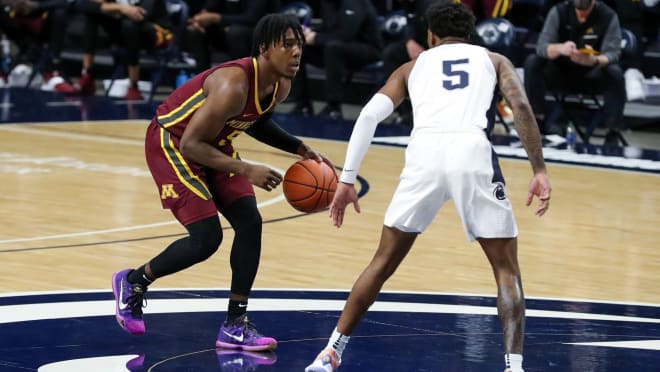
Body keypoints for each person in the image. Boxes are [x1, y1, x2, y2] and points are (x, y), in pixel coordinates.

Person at [305, 2, 551, 372]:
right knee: (506, 269)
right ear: (470, 35)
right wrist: (539, 169)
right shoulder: (493, 59)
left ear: (431, 36)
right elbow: (520, 105)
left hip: (424, 153)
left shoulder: (412, 66)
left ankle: (331, 353)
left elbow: (369, 116)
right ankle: (513, 367)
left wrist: (348, 179)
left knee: (383, 261)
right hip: (471, 151)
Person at [112, 13, 329, 351]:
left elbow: (255, 121)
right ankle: (134, 281)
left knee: (250, 223)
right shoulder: (233, 83)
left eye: (299, 44)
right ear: (264, 49)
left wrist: (301, 148)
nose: (296, 51)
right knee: (206, 238)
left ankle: (235, 324)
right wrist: (247, 170)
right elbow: (191, 145)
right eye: (287, 44)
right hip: (174, 143)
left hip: (214, 143)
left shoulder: (280, 85)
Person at [523, 0, 625, 145]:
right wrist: (560, 48)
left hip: (591, 74)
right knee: (533, 61)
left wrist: (594, 60)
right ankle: (537, 120)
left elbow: (613, 54)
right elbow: (541, 47)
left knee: (615, 72)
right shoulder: (558, 11)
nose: (581, 15)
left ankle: (613, 131)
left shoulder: (608, 15)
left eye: (585, 11)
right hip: (560, 72)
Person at [288, 0, 383, 119]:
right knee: (297, 49)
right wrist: (309, 33)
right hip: (339, 48)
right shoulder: (327, 3)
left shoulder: (355, 3)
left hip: (368, 49)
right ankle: (302, 105)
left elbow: (347, 34)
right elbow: (329, 29)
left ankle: (334, 107)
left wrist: (317, 38)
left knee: (332, 48)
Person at [76, 0, 174, 100]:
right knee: (92, 14)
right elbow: (88, 5)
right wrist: (121, 8)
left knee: (129, 24)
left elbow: (140, 15)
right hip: (126, 29)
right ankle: (88, 74)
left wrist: (114, 9)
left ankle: (133, 86)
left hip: (156, 33)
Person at [0, 0, 77, 92]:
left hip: (43, 16)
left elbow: (68, 2)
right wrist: (12, 2)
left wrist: (37, 6)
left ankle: (53, 71)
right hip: (14, 16)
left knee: (60, 12)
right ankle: (2, 75)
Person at [185, 0, 281, 73]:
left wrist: (217, 18)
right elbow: (210, 8)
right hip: (228, 31)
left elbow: (252, 18)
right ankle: (201, 82)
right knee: (197, 32)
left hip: (259, 34)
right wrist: (199, 21)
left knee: (236, 33)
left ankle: (245, 78)